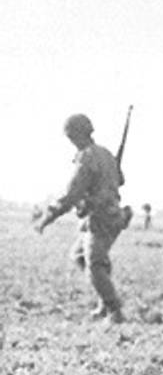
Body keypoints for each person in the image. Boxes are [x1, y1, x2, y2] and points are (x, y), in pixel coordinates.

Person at [35, 113, 132, 323]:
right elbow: (120, 180)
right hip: (109, 216)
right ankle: (104, 303)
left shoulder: (87, 157)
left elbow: (71, 195)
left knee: (95, 263)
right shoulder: (105, 154)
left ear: (75, 135)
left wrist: (47, 218)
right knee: (79, 255)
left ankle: (115, 311)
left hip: (101, 219)